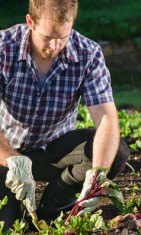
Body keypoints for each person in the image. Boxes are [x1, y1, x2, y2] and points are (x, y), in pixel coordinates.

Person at [0, 0, 130, 231]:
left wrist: (98, 175)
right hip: (7, 153)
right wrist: (12, 159)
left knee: (116, 151)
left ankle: (54, 208)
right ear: (30, 22)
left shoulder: (88, 53)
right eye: (48, 37)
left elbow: (106, 118)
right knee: (7, 226)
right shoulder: (3, 47)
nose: (55, 46)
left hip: (55, 149)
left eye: (63, 36)